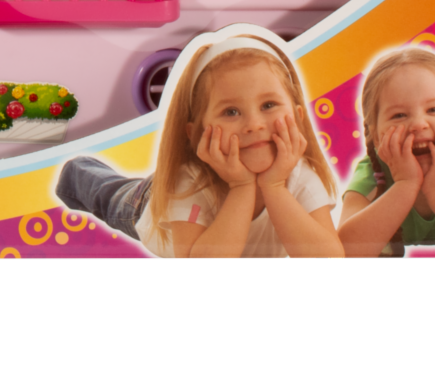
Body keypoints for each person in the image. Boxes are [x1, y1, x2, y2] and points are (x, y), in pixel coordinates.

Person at [56, 31, 342, 258]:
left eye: (268, 105)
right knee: (107, 196)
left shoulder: (299, 175)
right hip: (147, 202)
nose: (254, 125)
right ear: (196, 133)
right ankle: (77, 171)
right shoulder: (190, 181)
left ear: (298, 117)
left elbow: (328, 256)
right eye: (231, 111)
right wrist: (242, 187)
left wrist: (274, 187)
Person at [338, 48, 435, 258]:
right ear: (375, 136)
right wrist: (405, 185)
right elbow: (345, 252)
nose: (418, 124)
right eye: (399, 115)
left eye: (433, 109)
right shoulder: (372, 173)